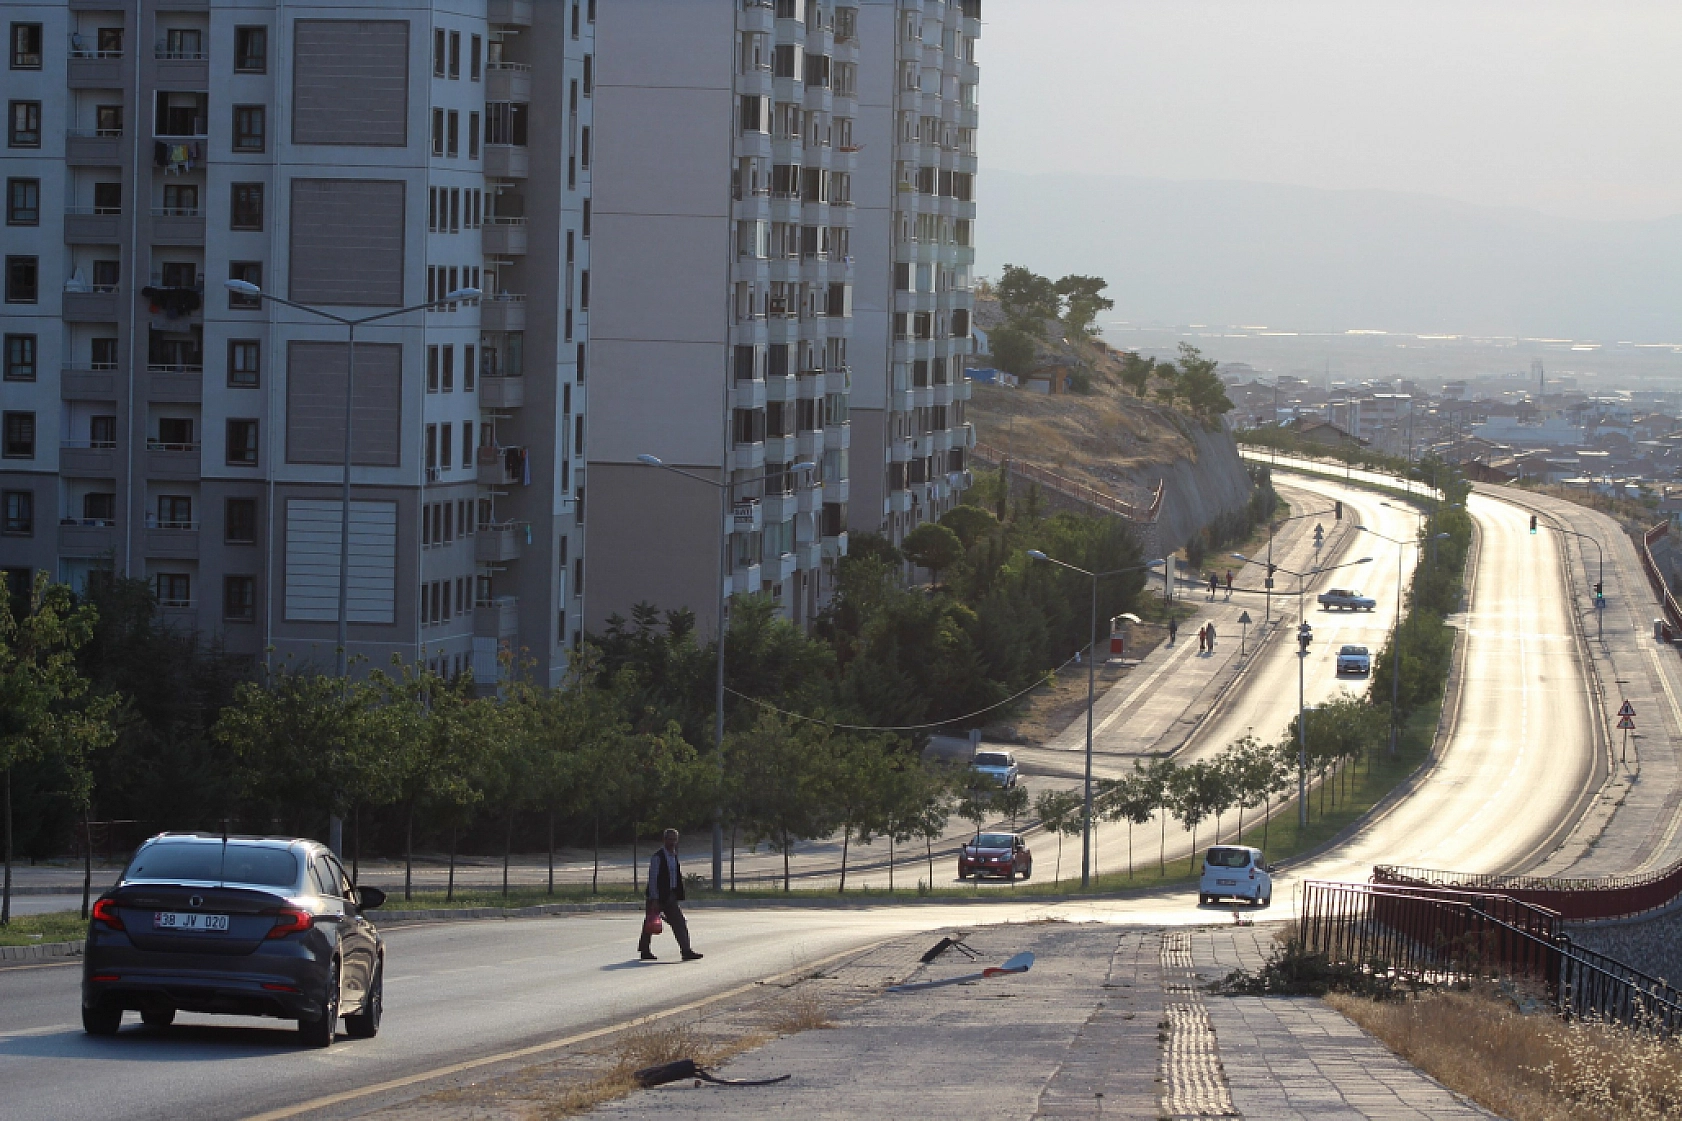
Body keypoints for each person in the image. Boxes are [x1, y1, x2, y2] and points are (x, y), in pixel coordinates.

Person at [639, 829, 702, 962]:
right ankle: (644, 950)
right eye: (670, 839)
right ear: (664, 840)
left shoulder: (674, 856)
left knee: (679, 922)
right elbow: (653, 878)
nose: (672, 842)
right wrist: (654, 898)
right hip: (657, 896)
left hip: (670, 896)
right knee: (651, 922)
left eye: (674, 839)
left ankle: (686, 950)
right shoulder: (658, 857)